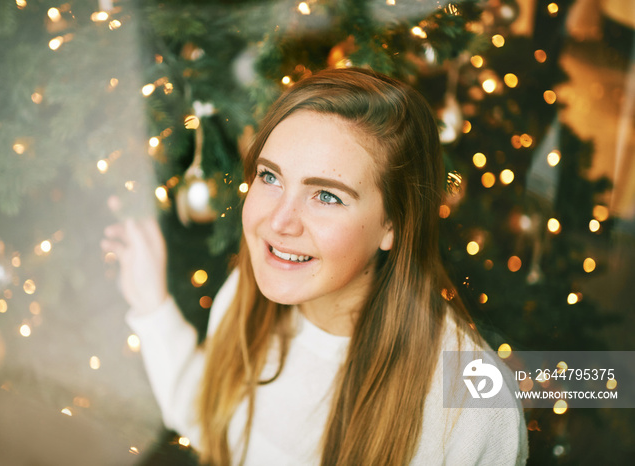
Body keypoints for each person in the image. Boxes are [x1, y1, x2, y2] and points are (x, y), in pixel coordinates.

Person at [102, 68, 528, 465]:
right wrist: (151, 305)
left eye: (326, 196)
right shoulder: (244, 291)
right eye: (270, 177)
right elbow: (210, 420)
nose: (278, 222)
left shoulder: (471, 403)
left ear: (392, 224)